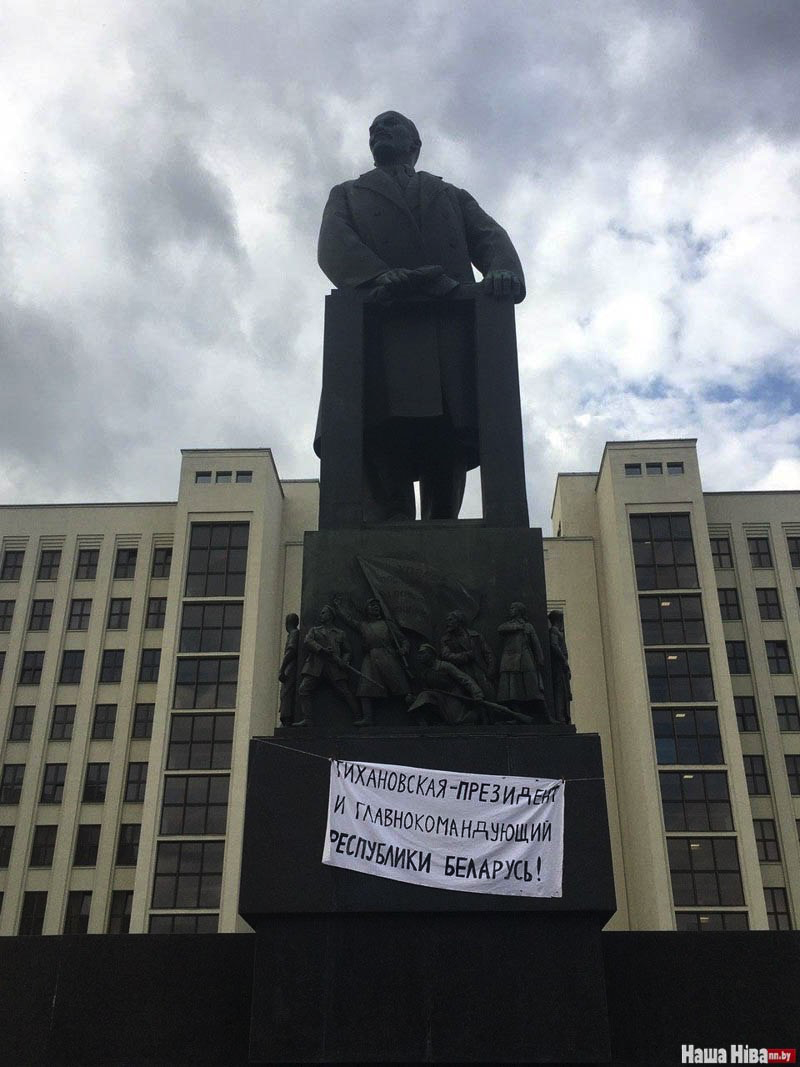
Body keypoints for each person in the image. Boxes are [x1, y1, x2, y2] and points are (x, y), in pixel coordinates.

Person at [316, 110, 525, 522]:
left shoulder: (449, 195)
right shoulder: (348, 193)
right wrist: (378, 274)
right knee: (381, 440)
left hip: (445, 340)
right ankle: (389, 543)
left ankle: (444, 536)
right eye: (373, 129)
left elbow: (488, 235)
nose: (378, 132)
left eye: (390, 126)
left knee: (446, 444)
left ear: (415, 144)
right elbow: (333, 243)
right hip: (382, 340)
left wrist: (502, 268)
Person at [333, 595, 410, 725]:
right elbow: (349, 620)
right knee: (365, 688)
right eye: (372, 605)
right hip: (370, 658)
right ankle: (368, 718)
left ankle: (419, 717)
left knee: (402, 689)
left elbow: (403, 640)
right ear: (366, 610)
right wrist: (339, 607)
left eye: (377, 605)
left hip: (387, 656)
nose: (375, 607)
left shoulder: (388, 624)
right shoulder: (364, 625)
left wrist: (404, 649)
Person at [293, 605, 360, 727]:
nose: (321, 615)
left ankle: (358, 716)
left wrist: (344, 661)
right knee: (303, 689)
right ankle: (307, 719)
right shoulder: (314, 630)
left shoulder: (340, 633)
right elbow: (308, 641)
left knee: (345, 692)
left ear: (330, 615)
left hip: (334, 666)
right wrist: (322, 650)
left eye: (323, 613)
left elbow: (347, 651)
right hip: (316, 666)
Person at [407, 644, 485, 725]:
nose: (420, 656)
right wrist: (414, 698)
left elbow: (464, 679)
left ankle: (477, 715)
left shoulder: (445, 666)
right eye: (419, 654)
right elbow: (424, 689)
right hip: (438, 697)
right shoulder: (425, 672)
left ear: (431, 655)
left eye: (423, 653)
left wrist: (477, 694)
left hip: (453, 695)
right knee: (425, 696)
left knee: (457, 721)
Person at [497, 602, 547, 715]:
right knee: (512, 689)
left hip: (525, 658)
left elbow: (536, 644)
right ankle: (516, 714)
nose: (511, 610)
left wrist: (540, 658)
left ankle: (544, 715)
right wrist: (519, 627)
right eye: (510, 608)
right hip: (510, 660)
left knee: (533, 687)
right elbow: (500, 629)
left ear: (519, 611)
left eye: (513, 608)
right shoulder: (508, 625)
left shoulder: (528, 626)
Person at [439, 609, 496, 699]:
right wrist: (465, 655)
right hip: (461, 673)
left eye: (450, 620)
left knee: (490, 697)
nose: (447, 623)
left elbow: (488, 653)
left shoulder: (475, 636)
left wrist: (491, 670)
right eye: (447, 620)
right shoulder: (446, 640)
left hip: (480, 671)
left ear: (459, 621)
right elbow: (446, 656)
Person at [548, 610, 573, 724]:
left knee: (563, 691)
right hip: (559, 665)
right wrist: (564, 660)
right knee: (560, 691)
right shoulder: (554, 631)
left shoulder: (556, 631)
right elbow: (554, 645)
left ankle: (562, 715)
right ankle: (560, 716)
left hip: (561, 665)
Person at [277, 613, 300, 725]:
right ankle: (286, 719)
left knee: (287, 692)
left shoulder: (294, 633)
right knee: (285, 692)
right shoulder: (293, 633)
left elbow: (291, 651)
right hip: (290, 665)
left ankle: (287, 719)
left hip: (290, 666)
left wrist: (282, 668)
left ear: (287, 623)